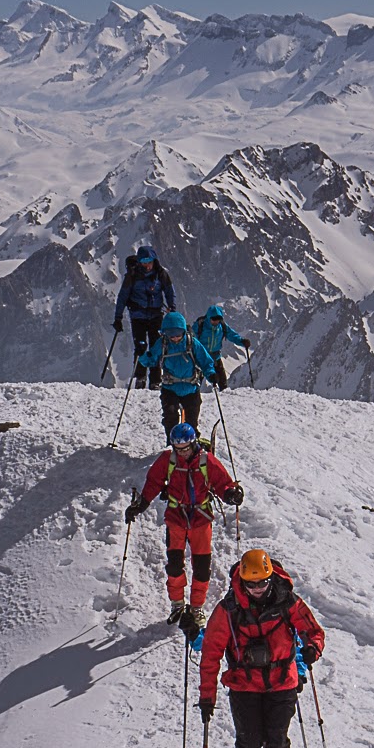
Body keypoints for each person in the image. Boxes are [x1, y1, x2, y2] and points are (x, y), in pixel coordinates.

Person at [197, 549, 325, 748]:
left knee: (277, 740)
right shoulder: (228, 610)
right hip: (244, 685)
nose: (257, 589)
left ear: (270, 578)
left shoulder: (287, 601)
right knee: (249, 739)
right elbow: (211, 654)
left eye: (262, 583)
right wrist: (207, 697)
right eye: (251, 584)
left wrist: (313, 648)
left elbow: (313, 631)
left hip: (282, 682)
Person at [124, 423, 244, 633]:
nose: (182, 453)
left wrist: (231, 494)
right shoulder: (168, 460)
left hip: (200, 518)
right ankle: (177, 604)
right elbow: (153, 483)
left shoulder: (206, 461)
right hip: (176, 517)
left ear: (194, 443)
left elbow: (222, 483)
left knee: (201, 567)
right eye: (178, 449)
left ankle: (196, 607)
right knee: (174, 565)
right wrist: (140, 505)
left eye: (186, 448)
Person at [138, 312, 217, 439]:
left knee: (191, 422)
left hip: (191, 389)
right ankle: (172, 443)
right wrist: (142, 354)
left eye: (178, 334)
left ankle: (191, 444)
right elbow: (150, 360)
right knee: (170, 418)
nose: (175, 338)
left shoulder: (192, 343)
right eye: (171, 334)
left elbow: (205, 361)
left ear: (184, 331)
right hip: (170, 389)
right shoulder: (162, 344)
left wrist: (211, 374)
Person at [112, 246, 175, 389]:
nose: (147, 265)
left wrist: (172, 309)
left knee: (156, 347)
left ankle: (155, 380)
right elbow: (122, 297)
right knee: (140, 346)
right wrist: (118, 318)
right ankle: (141, 378)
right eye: (144, 262)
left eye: (149, 261)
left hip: (155, 315)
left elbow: (169, 292)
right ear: (139, 262)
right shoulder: (132, 275)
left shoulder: (161, 274)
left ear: (154, 261)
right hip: (138, 316)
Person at [192, 305, 249, 391]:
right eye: (213, 319)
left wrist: (242, 341)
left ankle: (224, 397)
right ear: (208, 317)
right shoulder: (200, 325)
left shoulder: (222, 326)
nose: (216, 321)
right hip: (201, 357)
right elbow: (192, 337)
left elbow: (232, 335)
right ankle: (193, 397)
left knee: (223, 383)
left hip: (216, 357)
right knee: (195, 383)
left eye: (218, 319)